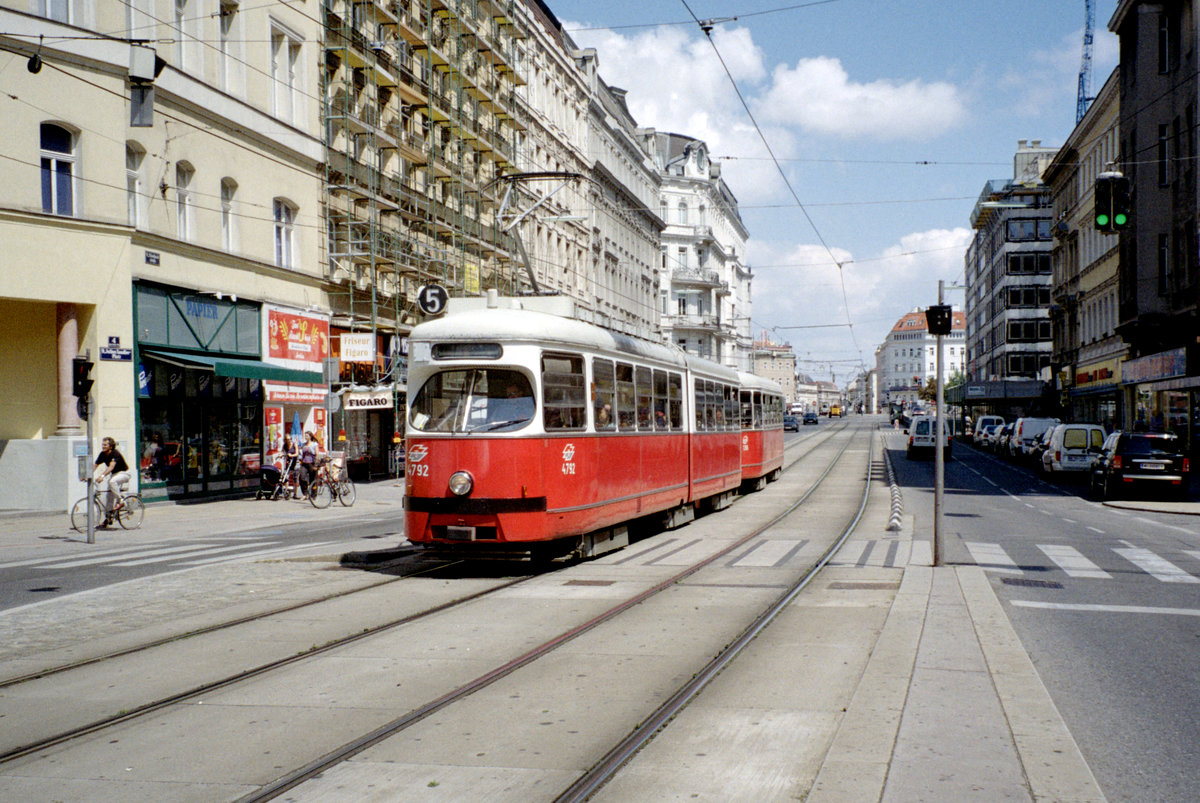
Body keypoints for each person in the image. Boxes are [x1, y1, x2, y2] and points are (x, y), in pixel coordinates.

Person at [94, 437, 131, 527]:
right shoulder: (102, 454)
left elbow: (111, 467)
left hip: (124, 473)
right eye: (103, 444)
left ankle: (121, 501)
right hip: (114, 475)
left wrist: (102, 476)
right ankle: (108, 519)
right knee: (108, 498)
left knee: (112, 482)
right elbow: (95, 465)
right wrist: (87, 475)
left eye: (105, 445)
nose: (103, 446)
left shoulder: (115, 453)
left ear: (111, 446)